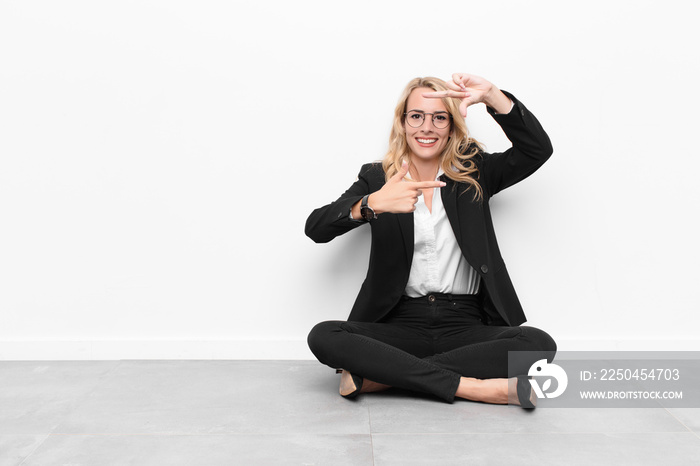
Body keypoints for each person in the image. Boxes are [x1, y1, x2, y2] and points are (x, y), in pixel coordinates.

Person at [305, 73, 557, 408]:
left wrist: (494, 96)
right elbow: (316, 228)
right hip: (398, 324)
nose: (427, 127)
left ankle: (379, 379)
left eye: (440, 117)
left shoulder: (476, 172)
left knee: (538, 343)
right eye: (417, 116)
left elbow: (537, 149)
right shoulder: (377, 178)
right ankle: (478, 388)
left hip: (465, 325)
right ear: (403, 123)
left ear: (451, 126)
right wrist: (371, 204)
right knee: (324, 335)